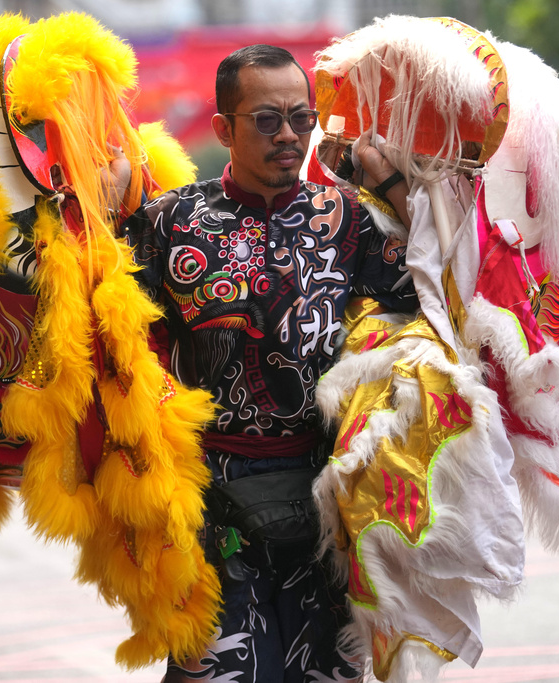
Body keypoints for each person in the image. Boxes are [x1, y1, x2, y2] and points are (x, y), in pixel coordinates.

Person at [117, 44, 416, 682]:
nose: (289, 135)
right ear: (223, 128)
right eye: (267, 120)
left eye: (302, 118)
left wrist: (395, 187)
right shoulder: (169, 223)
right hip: (210, 503)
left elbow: (427, 305)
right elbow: (108, 335)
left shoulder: (348, 217)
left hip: (330, 499)